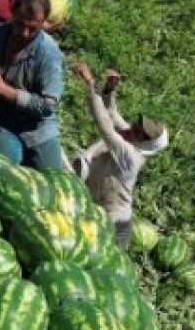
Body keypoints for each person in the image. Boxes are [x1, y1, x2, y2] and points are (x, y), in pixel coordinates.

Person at [70, 64, 170, 248]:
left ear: (145, 143)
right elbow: (112, 114)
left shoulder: (130, 156)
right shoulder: (132, 137)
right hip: (100, 215)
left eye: (140, 132)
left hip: (115, 227)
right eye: (137, 126)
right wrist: (109, 90)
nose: (133, 129)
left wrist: (91, 85)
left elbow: (106, 126)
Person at [0, 0, 65, 170]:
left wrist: (5, 91)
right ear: (12, 13)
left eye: (33, 28)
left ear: (43, 23)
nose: (24, 33)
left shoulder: (49, 54)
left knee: (53, 180)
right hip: (2, 123)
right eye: (20, 24)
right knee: (1, 173)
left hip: (38, 129)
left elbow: (47, 106)